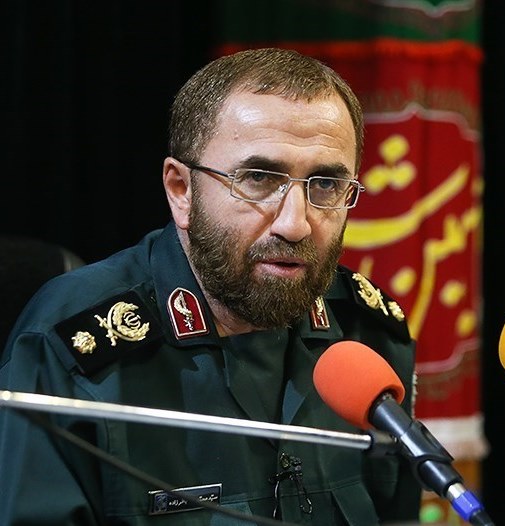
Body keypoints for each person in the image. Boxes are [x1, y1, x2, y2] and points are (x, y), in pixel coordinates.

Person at [0, 48, 421, 525]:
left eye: (325, 184)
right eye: (258, 178)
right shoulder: (73, 347)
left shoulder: (369, 337)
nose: (295, 224)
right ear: (181, 190)